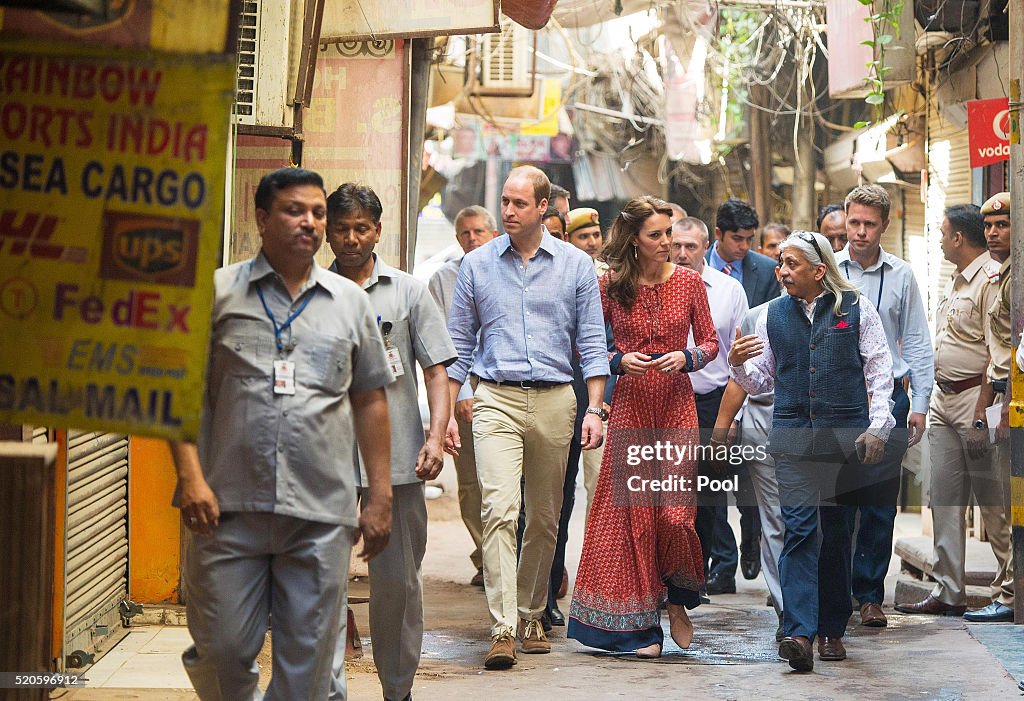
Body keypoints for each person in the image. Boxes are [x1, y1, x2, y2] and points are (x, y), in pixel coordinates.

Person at [170, 167, 394, 700]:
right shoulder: (217, 294)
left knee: (310, 667)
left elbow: (370, 399)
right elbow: (175, 394)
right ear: (263, 218)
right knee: (221, 649)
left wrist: (380, 493)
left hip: (319, 514)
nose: (311, 223)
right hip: (225, 508)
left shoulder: (349, 303)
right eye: (296, 211)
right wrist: (190, 478)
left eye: (318, 213)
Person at [444, 166, 609, 670]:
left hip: (559, 398)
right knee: (500, 509)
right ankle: (502, 625)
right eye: (505, 202)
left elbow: (592, 344)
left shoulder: (576, 267)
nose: (508, 211)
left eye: (519, 203)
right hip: (495, 397)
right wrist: (446, 415)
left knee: (543, 515)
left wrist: (596, 408)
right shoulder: (476, 266)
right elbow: (457, 347)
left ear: (544, 209)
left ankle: (532, 610)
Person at [730, 230, 894, 672]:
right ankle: (799, 631)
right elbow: (762, 381)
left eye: (791, 265)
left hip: (845, 439)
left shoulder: (857, 310)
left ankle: (832, 629)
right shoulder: (772, 316)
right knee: (799, 529)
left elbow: (880, 371)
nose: (781, 272)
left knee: (838, 533)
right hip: (793, 438)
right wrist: (738, 364)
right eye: (780, 263)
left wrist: (879, 427)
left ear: (820, 271)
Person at [569, 196, 718, 658]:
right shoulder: (611, 286)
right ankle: (643, 628)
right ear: (634, 240)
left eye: (669, 233)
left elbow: (712, 343)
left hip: (675, 407)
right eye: (656, 235)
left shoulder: (691, 283)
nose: (667, 242)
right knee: (634, 517)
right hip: (631, 406)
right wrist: (618, 360)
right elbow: (588, 346)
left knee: (674, 514)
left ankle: (678, 599)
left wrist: (687, 357)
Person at [326, 183, 456, 701]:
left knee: (397, 585)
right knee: (319, 584)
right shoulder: (313, 290)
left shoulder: (407, 292)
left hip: (398, 464)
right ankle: (326, 687)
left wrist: (435, 438)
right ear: (328, 233)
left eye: (362, 228)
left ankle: (397, 690)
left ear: (378, 230)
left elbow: (438, 371)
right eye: (342, 229)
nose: (352, 238)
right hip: (325, 463)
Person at [895, 204, 1012, 619]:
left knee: (993, 499)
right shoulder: (956, 281)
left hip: (980, 401)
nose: (940, 240)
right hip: (943, 400)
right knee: (943, 499)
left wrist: (982, 415)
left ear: (958, 238)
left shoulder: (993, 281)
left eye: (942, 234)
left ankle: (1010, 592)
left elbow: (993, 356)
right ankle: (949, 591)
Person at [834, 185, 933, 628]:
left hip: (889, 398)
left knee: (878, 503)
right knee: (836, 501)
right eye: (853, 222)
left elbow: (915, 340)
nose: (859, 232)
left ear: (885, 226)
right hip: (838, 398)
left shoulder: (902, 275)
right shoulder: (827, 269)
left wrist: (920, 402)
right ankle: (834, 595)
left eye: (869, 224)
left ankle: (870, 595)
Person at [670, 216, 752, 591]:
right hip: (666, 398)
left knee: (709, 492)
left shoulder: (728, 290)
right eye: (677, 245)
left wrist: (733, 415)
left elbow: (743, 354)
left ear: (707, 248)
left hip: (712, 400)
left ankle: (709, 572)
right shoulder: (656, 287)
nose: (683, 253)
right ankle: (675, 573)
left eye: (691, 246)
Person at [705, 197, 778, 588]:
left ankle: (753, 541)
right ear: (718, 235)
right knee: (713, 480)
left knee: (750, 484)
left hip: (753, 386)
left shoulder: (766, 271)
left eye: (750, 239)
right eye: (737, 238)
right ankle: (723, 562)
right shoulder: (697, 272)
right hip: (709, 385)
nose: (744, 246)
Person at [428, 205, 498, 588]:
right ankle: (487, 557)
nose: (472, 239)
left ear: (492, 233)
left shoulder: (509, 268)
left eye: (478, 232)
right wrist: (461, 394)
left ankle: (512, 559)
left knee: (509, 482)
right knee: (471, 481)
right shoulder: (442, 279)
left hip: (506, 387)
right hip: (464, 391)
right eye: (464, 233)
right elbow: (443, 340)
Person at [712, 301, 787, 642]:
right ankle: (789, 611)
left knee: (811, 521)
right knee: (773, 520)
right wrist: (719, 432)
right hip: (763, 426)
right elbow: (742, 380)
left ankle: (817, 603)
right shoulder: (760, 316)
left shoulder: (842, 312)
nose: (786, 272)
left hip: (817, 430)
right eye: (783, 264)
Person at [962, 191, 1015, 623]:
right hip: (1000, 394)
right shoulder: (1001, 275)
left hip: (1013, 397)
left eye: (1004, 224)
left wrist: (1009, 403)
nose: (994, 232)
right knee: (997, 499)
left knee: (1005, 498)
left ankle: (1012, 593)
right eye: (989, 226)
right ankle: (1007, 587)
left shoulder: (1017, 277)